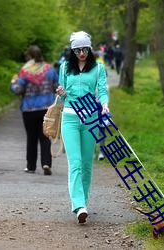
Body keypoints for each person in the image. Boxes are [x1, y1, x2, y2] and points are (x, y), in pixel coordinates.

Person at [56, 31, 109, 223]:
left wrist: (104, 103)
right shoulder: (64, 68)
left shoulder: (98, 68)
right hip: (69, 118)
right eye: (77, 50)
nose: (81, 53)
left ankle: (83, 201)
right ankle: (78, 205)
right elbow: (62, 97)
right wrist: (61, 92)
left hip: (90, 119)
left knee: (87, 164)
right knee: (75, 163)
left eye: (85, 49)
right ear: (72, 50)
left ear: (90, 48)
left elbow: (102, 90)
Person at [10, 45, 59, 175]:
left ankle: (31, 166)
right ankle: (46, 163)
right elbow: (57, 87)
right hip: (46, 109)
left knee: (31, 138)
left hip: (29, 109)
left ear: (29, 57)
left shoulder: (25, 71)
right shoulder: (50, 70)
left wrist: (13, 83)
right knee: (45, 137)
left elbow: (18, 90)